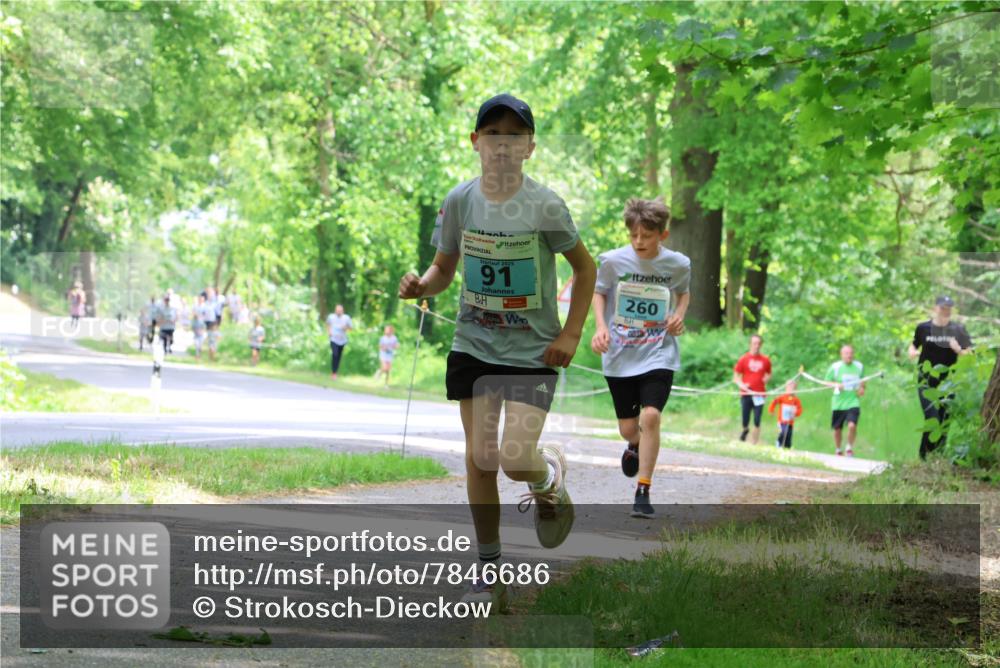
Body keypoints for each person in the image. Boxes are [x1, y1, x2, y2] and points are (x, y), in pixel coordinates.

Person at [398, 93, 596, 610]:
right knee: (481, 460)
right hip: (474, 345)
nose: (502, 145)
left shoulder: (545, 205)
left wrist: (571, 333)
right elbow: (444, 268)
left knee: (512, 459)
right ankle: (489, 572)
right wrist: (423, 285)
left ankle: (547, 481)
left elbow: (585, 269)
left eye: (514, 136)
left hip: (533, 351)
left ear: (529, 147)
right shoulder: (460, 200)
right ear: (476, 142)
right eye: (493, 135)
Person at [590, 197, 690, 518]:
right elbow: (599, 292)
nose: (639, 242)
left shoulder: (677, 264)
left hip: (658, 352)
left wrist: (678, 315)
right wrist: (601, 327)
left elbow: (683, 292)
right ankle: (634, 445)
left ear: (663, 234)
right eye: (634, 235)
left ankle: (643, 490)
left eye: (646, 236)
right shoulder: (613, 261)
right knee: (628, 428)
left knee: (651, 418)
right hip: (620, 354)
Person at [908, 295, 973, 459]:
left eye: (949, 308)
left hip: (948, 383)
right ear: (935, 308)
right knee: (932, 417)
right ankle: (924, 457)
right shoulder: (923, 328)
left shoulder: (958, 330)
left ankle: (937, 457)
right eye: (943, 307)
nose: (946, 311)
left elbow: (970, 353)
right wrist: (912, 352)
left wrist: (958, 349)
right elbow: (914, 344)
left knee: (944, 420)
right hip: (926, 381)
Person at [824, 344, 866, 457]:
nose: (849, 356)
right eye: (846, 353)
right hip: (838, 403)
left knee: (852, 425)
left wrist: (862, 388)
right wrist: (836, 384)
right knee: (837, 429)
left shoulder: (859, 367)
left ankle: (849, 447)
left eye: (851, 353)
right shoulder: (836, 367)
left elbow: (863, 381)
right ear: (841, 355)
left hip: (853, 401)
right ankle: (838, 449)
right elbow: (826, 382)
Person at [733, 334, 772, 444]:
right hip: (746, 394)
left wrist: (765, 380)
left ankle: (754, 442)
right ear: (750, 344)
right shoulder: (744, 359)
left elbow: (769, 373)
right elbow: (736, 376)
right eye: (754, 343)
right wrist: (742, 385)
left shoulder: (766, 360)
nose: (757, 346)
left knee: (757, 419)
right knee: (745, 419)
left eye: (759, 343)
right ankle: (745, 430)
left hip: (759, 394)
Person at [768, 379, 803, 449]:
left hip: (790, 422)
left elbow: (800, 410)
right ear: (786, 388)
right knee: (784, 432)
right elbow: (774, 402)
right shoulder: (782, 397)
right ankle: (779, 443)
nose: (791, 389)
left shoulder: (796, 400)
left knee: (789, 435)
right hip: (782, 421)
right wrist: (771, 410)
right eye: (789, 388)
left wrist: (795, 413)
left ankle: (787, 447)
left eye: (793, 388)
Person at [326, 304, 353, 380]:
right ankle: (333, 372)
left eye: (340, 311)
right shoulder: (331, 317)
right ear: (335, 310)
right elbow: (328, 324)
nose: (338, 312)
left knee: (338, 356)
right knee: (335, 354)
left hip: (342, 340)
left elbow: (351, 328)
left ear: (342, 311)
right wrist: (329, 332)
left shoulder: (346, 318)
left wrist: (345, 328)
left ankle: (335, 372)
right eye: (337, 310)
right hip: (333, 339)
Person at [191, 293, 208, 359]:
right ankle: (197, 352)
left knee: (201, 337)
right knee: (196, 338)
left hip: (202, 324)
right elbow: (193, 313)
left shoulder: (205, 306)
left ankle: (199, 350)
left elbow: (206, 315)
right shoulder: (195, 306)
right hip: (196, 324)